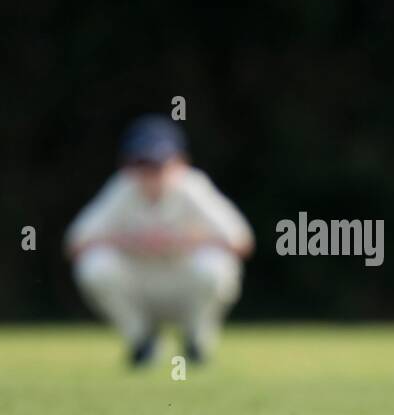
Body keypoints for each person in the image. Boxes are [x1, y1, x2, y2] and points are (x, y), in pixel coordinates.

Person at [65, 115, 254, 366]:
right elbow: (75, 243)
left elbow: (241, 241)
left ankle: (196, 337)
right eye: (143, 164)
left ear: (180, 163)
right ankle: (143, 340)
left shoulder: (193, 187)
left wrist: (179, 240)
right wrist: (130, 241)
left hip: (182, 282)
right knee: (94, 266)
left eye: (159, 165)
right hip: (141, 282)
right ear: (128, 165)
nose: (151, 174)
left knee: (216, 266)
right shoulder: (122, 189)